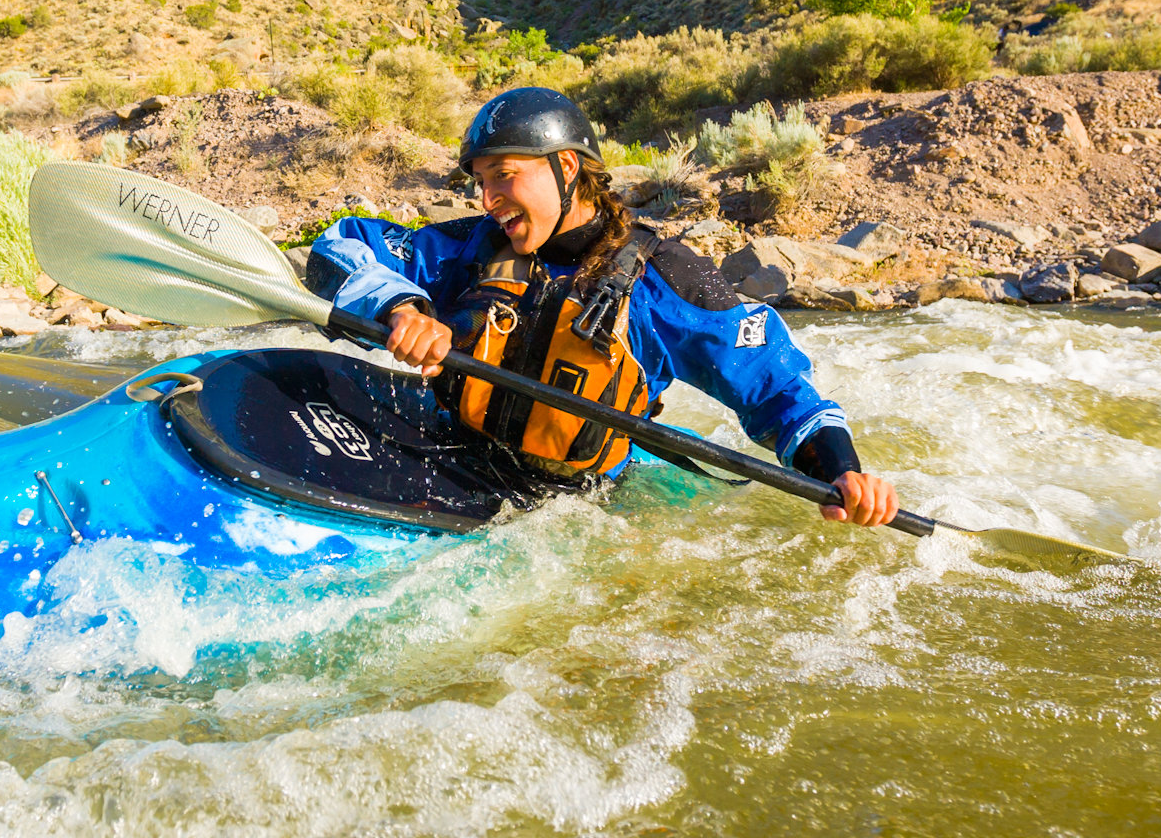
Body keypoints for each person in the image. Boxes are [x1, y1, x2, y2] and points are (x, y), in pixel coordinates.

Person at [305, 86, 898, 528]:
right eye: (480, 182)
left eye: (503, 176)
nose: (487, 200)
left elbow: (778, 392)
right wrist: (402, 307)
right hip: (448, 452)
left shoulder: (665, 282)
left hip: (567, 508)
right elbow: (340, 243)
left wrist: (842, 472)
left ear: (566, 167)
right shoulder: (467, 248)